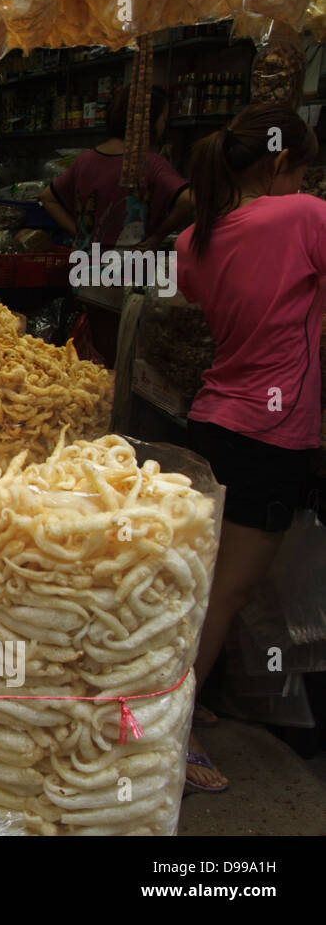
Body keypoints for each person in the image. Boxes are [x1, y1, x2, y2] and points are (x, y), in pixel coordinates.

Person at [175, 103, 326, 794]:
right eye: (304, 168)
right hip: (270, 436)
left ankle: (182, 697)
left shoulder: (190, 242)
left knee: (200, 589)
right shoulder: (302, 217)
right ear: (280, 164)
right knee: (222, 598)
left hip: (211, 424)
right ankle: (166, 735)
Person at [41, 86, 193, 252]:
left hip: (86, 266)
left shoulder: (85, 160)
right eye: (163, 120)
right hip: (130, 269)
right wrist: (158, 236)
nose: (163, 126)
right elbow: (189, 200)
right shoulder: (150, 163)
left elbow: (48, 198)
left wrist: (80, 234)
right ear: (149, 122)